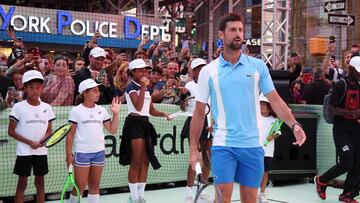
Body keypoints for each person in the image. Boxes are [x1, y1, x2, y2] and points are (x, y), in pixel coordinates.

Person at [188, 13, 306, 203]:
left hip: (253, 146)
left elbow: (275, 100)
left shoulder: (258, 67)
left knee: (250, 200)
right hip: (222, 145)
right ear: (221, 35)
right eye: (233, 30)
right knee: (222, 198)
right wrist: (194, 149)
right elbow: (199, 113)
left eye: (241, 30)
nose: (238, 34)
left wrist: (294, 125)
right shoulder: (208, 72)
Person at [119, 59, 170, 203]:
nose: (144, 72)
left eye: (145, 70)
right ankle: (134, 198)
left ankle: (141, 196)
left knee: (145, 162)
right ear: (133, 72)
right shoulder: (132, 87)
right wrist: (142, 87)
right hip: (133, 124)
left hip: (145, 124)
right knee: (136, 162)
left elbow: (150, 110)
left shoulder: (145, 88)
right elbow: (138, 106)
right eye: (141, 70)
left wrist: (163, 114)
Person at [65, 78, 120, 203]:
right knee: (80, 186)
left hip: (99, 153)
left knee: (95, 185)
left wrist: (116, 114)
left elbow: (112, 130)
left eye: (98, 90)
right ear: (85, 93)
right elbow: (70, 135)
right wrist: (68, 155)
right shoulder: (76, 111)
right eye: (94, 90)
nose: (98, 93)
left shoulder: (102, 110)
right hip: (82, 153)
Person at [314, 54, 360, 203]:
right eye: (358, 70)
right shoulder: (342, 84)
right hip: (342, 130)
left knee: (358, 162)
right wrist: (352, 113)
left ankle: (346, 194)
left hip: (356, 129)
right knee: (346, 162)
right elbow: (332, 108)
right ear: (351, 69)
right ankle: (322, 180)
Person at [8, 70, 56, 203]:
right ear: (24, 88)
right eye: (31, 87)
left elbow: (49, 131)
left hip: (41, 152)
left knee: (40, 183)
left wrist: (41, 141)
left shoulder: (47, 107)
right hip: (24, 153)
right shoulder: (18, 107)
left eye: (38, 87)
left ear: (42, 89)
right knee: (22, 183)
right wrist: (30, 143)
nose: (35, 90)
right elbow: (11, 131)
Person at [181, 58, 213, 203]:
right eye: (198, 69)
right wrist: (183, 97)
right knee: (195, 157)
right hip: (193, 121)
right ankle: (189, 192)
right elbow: (183, 106)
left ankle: (203, 190)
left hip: (208, 123)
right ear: (193, 72)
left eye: (203, 68)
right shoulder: (189, 85)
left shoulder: (210, 85)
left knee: (207, 159)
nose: (201, 71)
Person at [258, 95, 281, 203]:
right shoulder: (255, 118)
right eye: (260, 104)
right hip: (255, 149)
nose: (261, 106)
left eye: (263, 104)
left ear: (269, 106)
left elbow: (278, 132)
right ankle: (252, 193)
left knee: (265, 172)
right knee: (254, 172)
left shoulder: (274, 120)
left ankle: (262, 193)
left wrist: (272, 136)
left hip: (268, 151)